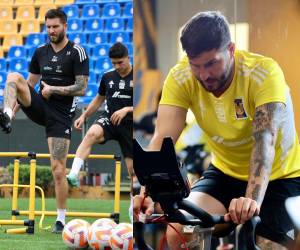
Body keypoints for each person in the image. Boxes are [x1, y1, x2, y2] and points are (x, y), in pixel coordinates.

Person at [133, 11, 300, 249]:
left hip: (280, 177)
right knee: (182, 231)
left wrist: (250, 200)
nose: (204, 75)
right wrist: (148, 191)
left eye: (211, 63)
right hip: (225, 174)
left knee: (265, 245)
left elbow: (265, 143)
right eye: (196, 65)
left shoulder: (263, 73)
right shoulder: (181, 77)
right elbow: (162, 139)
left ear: (231, 49)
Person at [0, 9, 89, 233]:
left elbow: (82, 88)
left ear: (65, 26)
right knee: (13, 77)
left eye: (55, 26)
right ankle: (6, 116)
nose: (51, 31)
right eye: (48, 27)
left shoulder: (77, 52)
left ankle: (60, 220)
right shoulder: (40, 52)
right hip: (40, 106)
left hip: (61, 116)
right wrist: (15, 108)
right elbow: (28, 85)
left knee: (58, 170)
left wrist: (53, 89)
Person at [66, 42, 134, 193]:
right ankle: (73, 174)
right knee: (91, 134)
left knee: (134, 173)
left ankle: (133, 209)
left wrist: (127, 109)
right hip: (109, 120)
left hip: (130, 126)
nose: (116, 66)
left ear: (128, 58)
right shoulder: (108, 77)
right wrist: (84, 115)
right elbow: (98, 99)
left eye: (120, 62)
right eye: (113, 63)